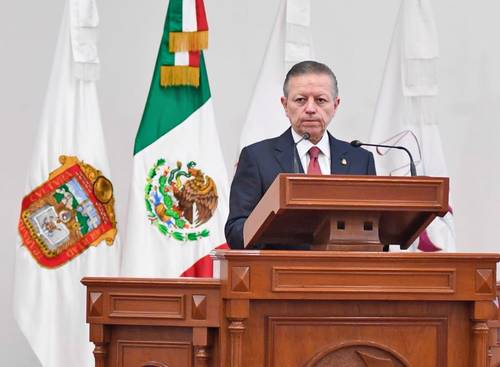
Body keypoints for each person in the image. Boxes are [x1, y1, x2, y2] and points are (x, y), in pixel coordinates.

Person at [225, 61, 376, 249]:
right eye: (300, 100)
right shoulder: (257, 158)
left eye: (320, 100)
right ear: (285, 105)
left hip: (344, 273)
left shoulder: (360, 160)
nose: (311, 109)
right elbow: (236, 232)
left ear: (335, 105)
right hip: (280, 273)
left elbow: (375, 229)